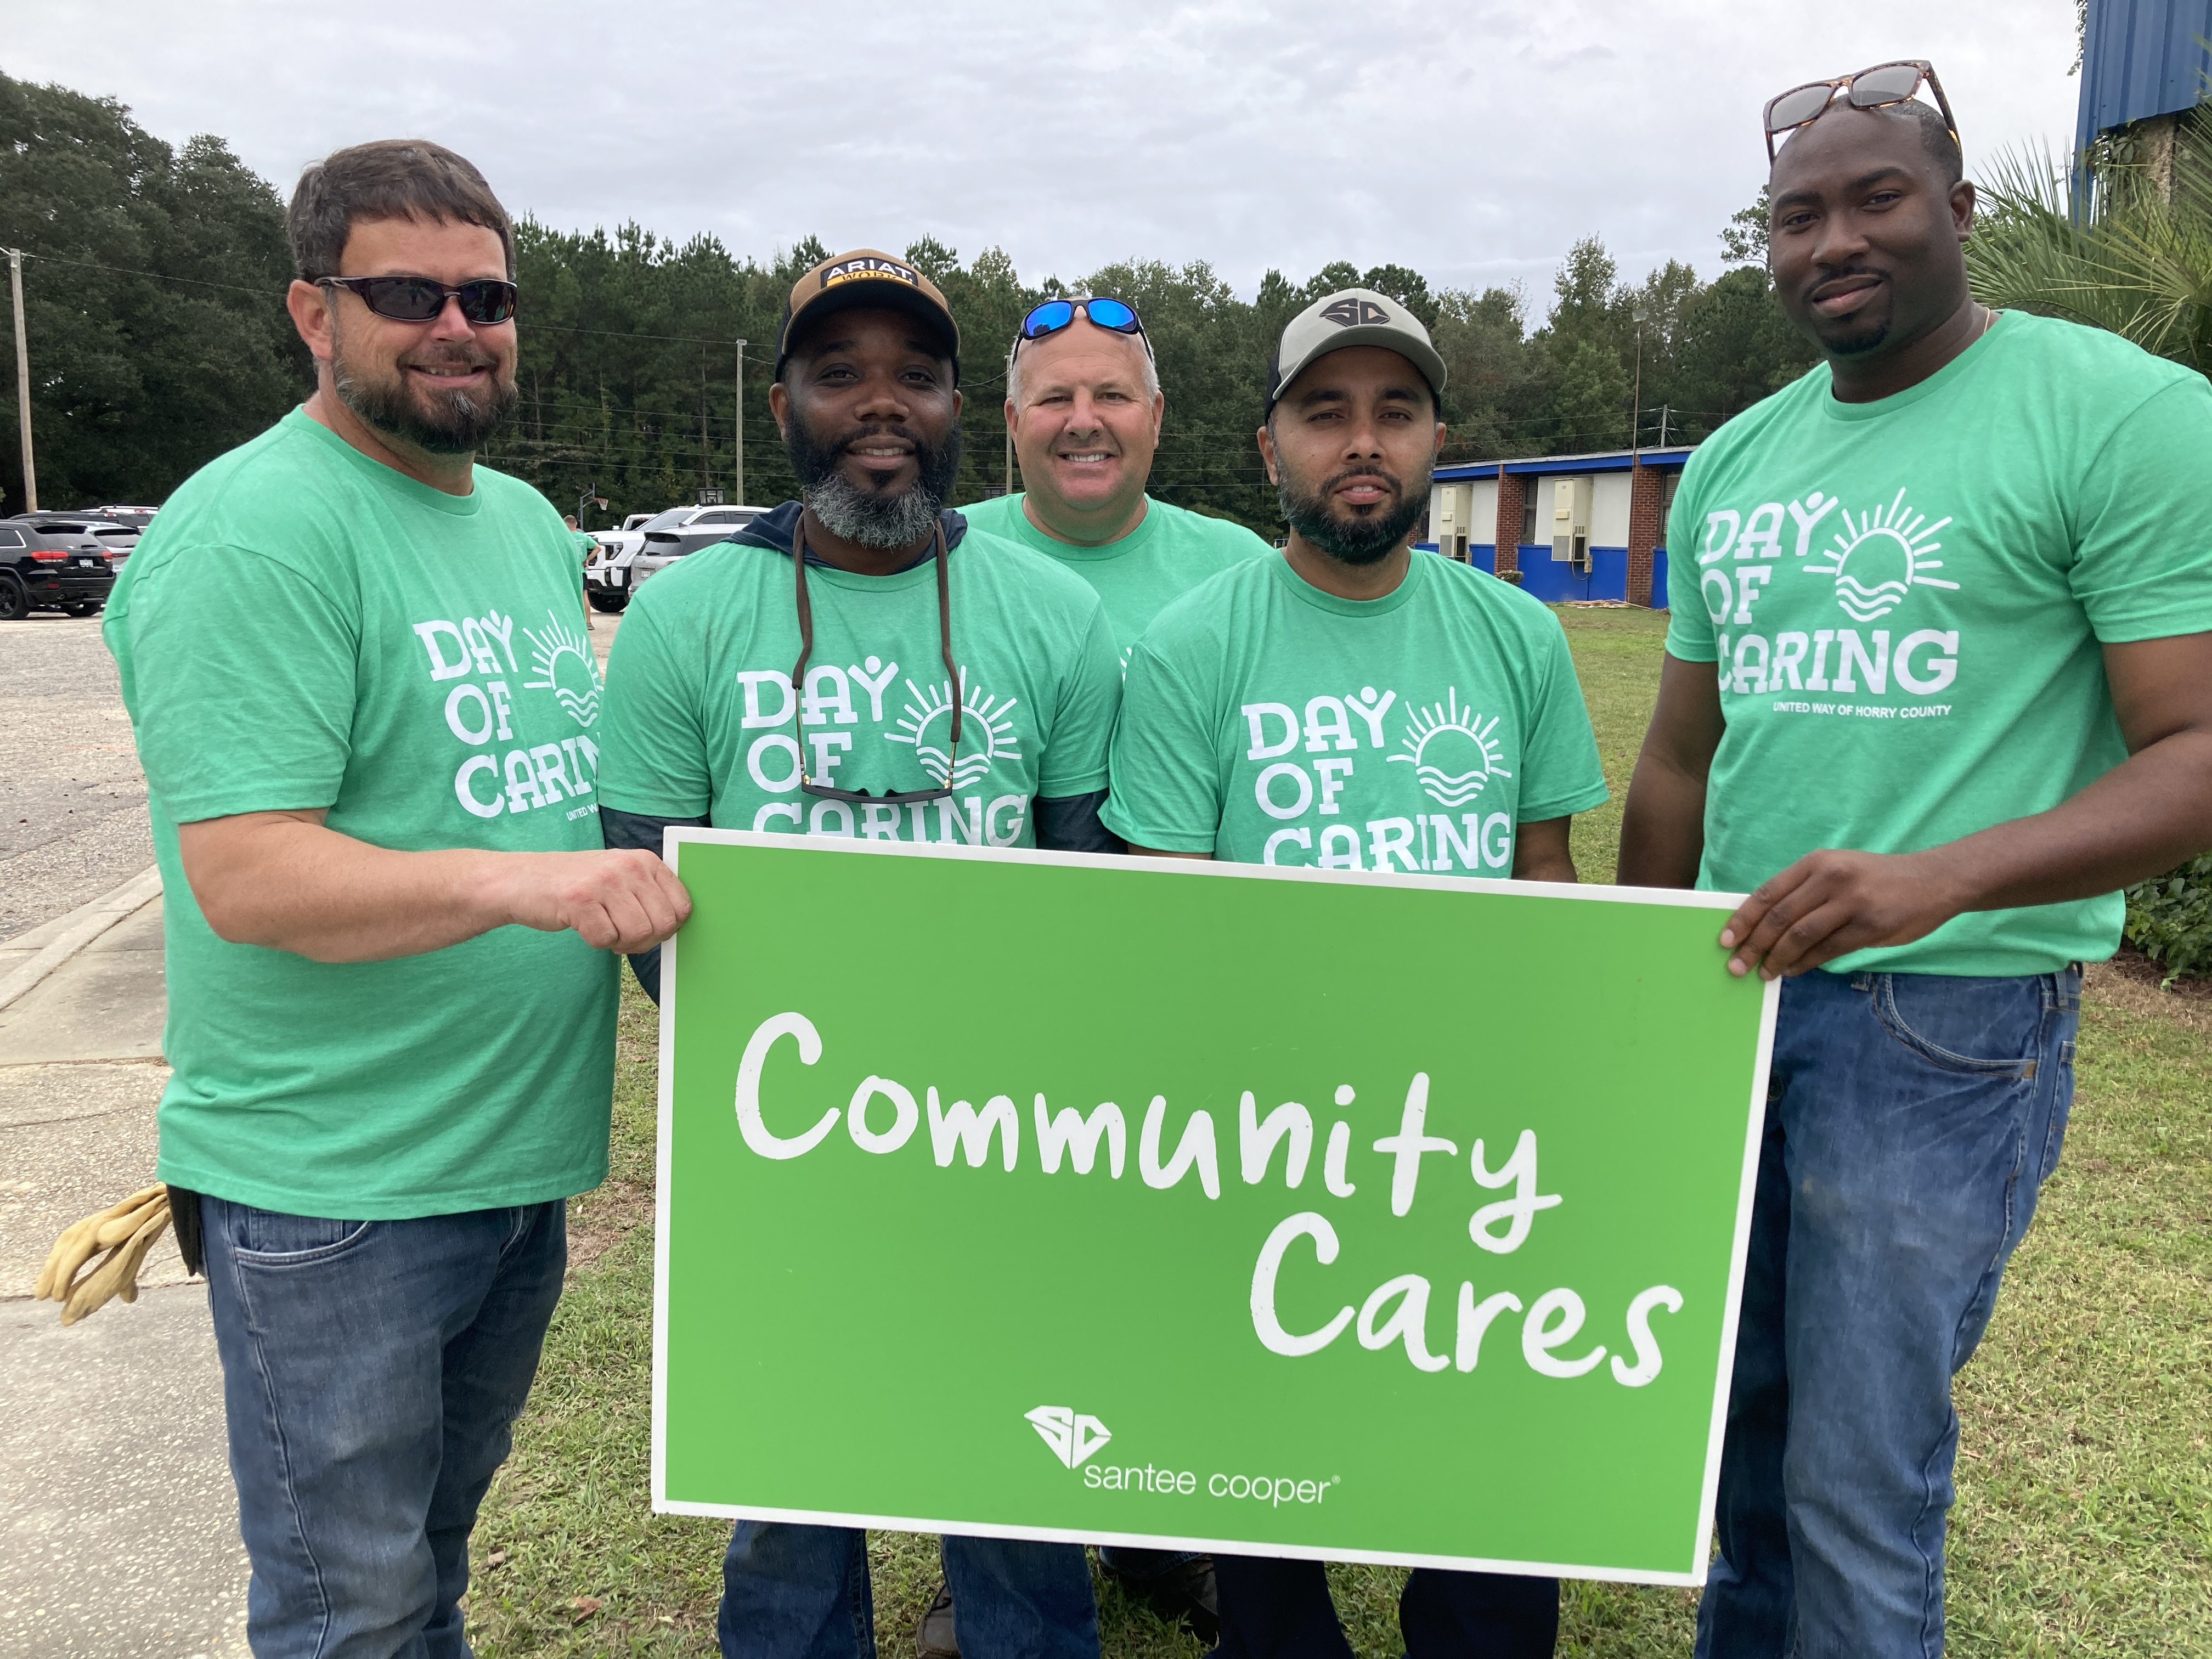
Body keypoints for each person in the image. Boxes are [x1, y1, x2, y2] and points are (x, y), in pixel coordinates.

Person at [1616, 69, 2212, 1658]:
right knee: (1732, 1450)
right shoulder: (1737, 462)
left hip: (1942, 1024)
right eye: (1796, 216)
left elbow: (2195, 752)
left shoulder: (2118, 414)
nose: (1835, 240)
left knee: (1856, 1481)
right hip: (1733, 1005)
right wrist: (1626, 989)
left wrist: (1932, 879)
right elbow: (1680, 759)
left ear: (1964, 210)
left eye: (1877, 197)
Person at [101, 139, 690, 1656]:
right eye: (406, 292)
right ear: (315, 313)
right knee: (344, 1606)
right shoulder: (252, 533)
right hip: (337, 1194)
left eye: (485, 294)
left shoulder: (513, 524)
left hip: (506, 1171)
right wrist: (528, 885)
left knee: (425, 1565)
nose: (455, 324)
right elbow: (245, 874)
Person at [591, 247, 1122, 1659]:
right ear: (784, 400)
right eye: (841, 375)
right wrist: (819, 1092)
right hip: (779, 1126)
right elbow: (651, 886)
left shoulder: (1054, 619)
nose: (880, 406)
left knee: (1014, 1458)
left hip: (1012, 1122)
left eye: (917, 377)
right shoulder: (684, 617)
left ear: (963, 409)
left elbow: (1084, 887)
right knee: (792, 1476)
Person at [1104, 287, 1608, 1659]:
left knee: (1479, 1450)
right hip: (1268, 1117)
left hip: (1470, 1129)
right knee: (1267, 1437)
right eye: (1325, 413)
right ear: (1270, 447)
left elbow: (1544, 881)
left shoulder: (1519, 640)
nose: (1361, 442)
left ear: (1438, 436)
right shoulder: (1192, 647)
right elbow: (1169, 918)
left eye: (1394, 410)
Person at [961, 294, 1270, 669]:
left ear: (1156, 418)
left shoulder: (1245, 572)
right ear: (1014, 423)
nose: (1083, 423)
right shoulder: (937, 557)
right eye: (1056, 398)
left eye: (1112, 396)